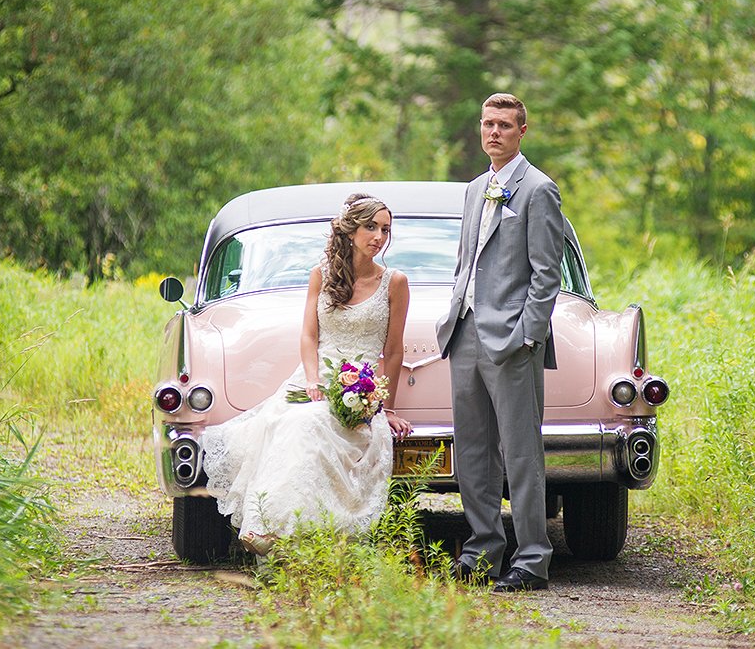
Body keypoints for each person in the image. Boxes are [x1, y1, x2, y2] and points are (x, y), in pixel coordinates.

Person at [201, 193, 414, 555]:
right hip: (312, 378)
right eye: (370, 227)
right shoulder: (322, 275)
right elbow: (309, 335)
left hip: (361, 388)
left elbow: (393, 350)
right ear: (350, 231)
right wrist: (313, 380)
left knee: (310, 424)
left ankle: (296, 533)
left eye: (385, 230)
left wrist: (386, 407)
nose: (378, 236)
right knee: (286, 423)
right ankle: (268, 527)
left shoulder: (395, 282)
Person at [436, 93, 564, 593]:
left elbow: (545, 274)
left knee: (521, 452)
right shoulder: (473, 189)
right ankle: (481, 550)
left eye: (505, 125)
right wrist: (453, 312)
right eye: (488, 124)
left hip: (512, 341)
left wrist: (528, 336)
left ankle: (532, 559)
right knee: (472, 450)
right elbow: (465, 260)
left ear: (522, 131)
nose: (495, 133)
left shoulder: (538, 189)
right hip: (465, 332)